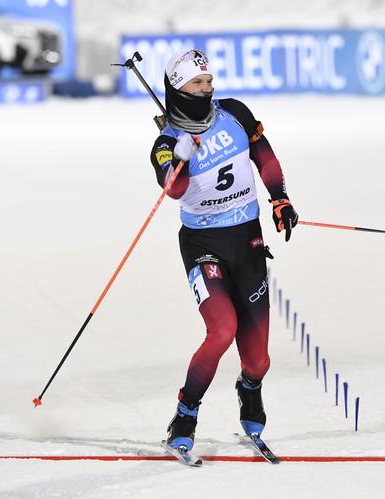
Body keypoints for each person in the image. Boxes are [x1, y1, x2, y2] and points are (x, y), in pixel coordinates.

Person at [149, 49, 299, 451]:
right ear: (179, 88)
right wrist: (179, 158)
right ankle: (185, 415)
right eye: (197, 84)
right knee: (221, 331)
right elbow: (173, 189)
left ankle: (249, 388)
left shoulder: (234, 113)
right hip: (203, 245)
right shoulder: (165, 142)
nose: (207, 89)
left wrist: (279, 199)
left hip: (248, 240)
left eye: (209, 81)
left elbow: (264, 157)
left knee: (259, 361)